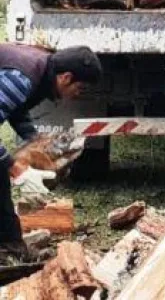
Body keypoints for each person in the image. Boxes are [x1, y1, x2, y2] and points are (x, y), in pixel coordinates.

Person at [0, 44, 102, 255]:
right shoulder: (22, 79)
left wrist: (34, 139)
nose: (76, 95)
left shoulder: (43, 70)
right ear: (66, 77)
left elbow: (16, 109)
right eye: (79, 88)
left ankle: (10, 246)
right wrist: (15, 168)